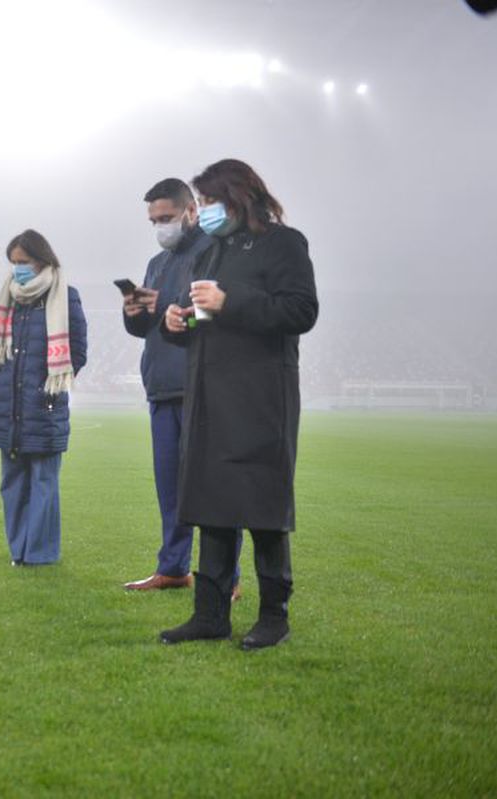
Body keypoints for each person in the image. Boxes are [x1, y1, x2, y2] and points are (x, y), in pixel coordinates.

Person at [159, 159, 318, 650]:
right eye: (201, 203)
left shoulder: (284, 242)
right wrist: (182, 324)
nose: (203, 211)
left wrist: (231, 302)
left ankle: (274, 616)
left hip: (261, 397)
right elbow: (211, 321)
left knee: (263, 507)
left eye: (208, 201)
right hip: (210, 393)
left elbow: (301, 310)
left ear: (239, 194)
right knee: (212, 504)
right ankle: (210, 615)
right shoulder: (212, 251)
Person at [121, 178, 242, 596]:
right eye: (153, 220)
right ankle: (173, 567)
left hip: (202, 384)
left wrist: (183, 315)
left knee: (211, 486)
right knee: (169, 488)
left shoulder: (213, 250)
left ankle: (226, 577)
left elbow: (222, 314)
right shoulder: (158, 262)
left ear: (190, 211)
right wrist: (135, 311)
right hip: (161, 385)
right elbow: (146, 328)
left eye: (166, 218)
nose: (160, 227)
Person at [0, 229, 88, 565]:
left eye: (23, 262)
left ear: (42, 260)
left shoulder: (65, 296)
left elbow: (78, 352)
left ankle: (40, 554)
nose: (17, 269)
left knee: (43, 483)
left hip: (44, 406)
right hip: (9, 407)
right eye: (13, 262)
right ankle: (18, 551)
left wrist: (50, 386)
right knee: (11, 484)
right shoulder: (9, 298)